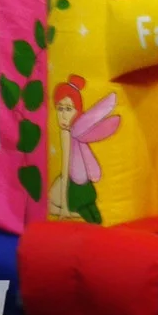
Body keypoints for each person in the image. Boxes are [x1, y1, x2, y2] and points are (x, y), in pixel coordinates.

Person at [48, 75, 119, 224]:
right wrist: (64, 208)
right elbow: (65, 170)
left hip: (77, 184)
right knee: (93, 218)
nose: (63, 115)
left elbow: (67, 170)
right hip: (78, 185)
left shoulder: (71, 133)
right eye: (59, 108)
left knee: (94, 218)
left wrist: (64, 207)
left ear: (78, 111)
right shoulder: (71, 132)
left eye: (68, 109)